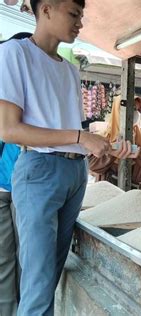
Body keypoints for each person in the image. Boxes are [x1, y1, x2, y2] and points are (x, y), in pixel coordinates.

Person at [0, 0, 117, 314]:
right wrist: (80, 137)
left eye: (81, 15)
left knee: (49, 277)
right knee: (37, 286)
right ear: (46, 9)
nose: (80, 23)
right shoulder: (15, 53)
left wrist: (97, 148)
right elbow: (10, 131)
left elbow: (67, 127)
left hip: (74, 172)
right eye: (74, 14)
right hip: (39, 170)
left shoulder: (69, 70)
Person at [0, 31, 32, 316]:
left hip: (25, 188)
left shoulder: (32, 95)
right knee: (3, 262)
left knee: (26, 260)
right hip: (2, 189)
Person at [88, 96, 141, 193]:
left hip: (138, 190)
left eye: (136, 109)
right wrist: (111, 151)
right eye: (130, 109)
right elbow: (91, 164)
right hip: (108, 190)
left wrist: (139, 153)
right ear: (117, 111)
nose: (134, 113)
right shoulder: (104, 135)